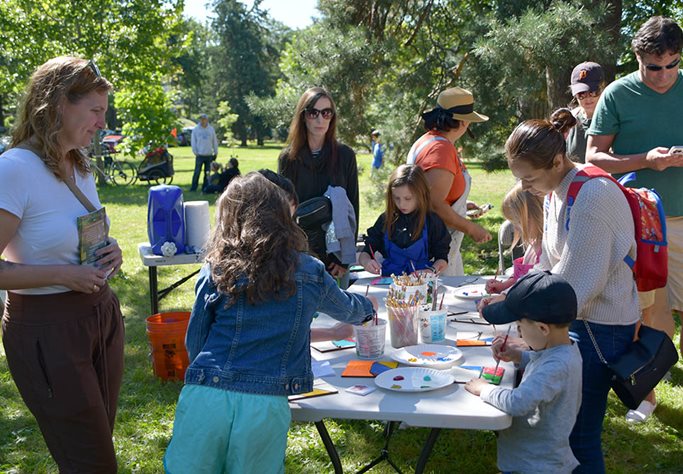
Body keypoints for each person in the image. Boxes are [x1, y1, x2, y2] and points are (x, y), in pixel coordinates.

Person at [164, 173, 376, 473]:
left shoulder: (215, 267)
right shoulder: (309, 269)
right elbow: (347, 309)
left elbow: (195, 339)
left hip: (207, 394)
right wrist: (369, 307)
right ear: (283, 216)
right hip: (264, 405)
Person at [0, 57, 124, 472]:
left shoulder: (79, 164)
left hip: (99, 317)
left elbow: (74, 236)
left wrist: (111, 252)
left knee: (93, 446)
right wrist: (61, 275)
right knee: (92, 460)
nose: (102, 124)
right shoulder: (14, 169)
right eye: (95, 111)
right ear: (57, 106)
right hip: (47, 331)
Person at [503, 110, 639, 474]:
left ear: (559, 160)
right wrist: (513, 291)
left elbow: (575, 289)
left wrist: (516, 310)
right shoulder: (554, 191)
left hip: (600, 329)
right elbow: (549, 262)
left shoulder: (593, 196)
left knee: (578, 434)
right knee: (568, 432)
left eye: (529, 178)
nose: (524, 188)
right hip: (576, 322)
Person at [586, 15, 683, 423]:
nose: (663, 75)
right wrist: (648, 160)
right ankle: (646, 395)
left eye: (673, 64)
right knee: (653, 314)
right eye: (653, 67)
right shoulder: (617, 94)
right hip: (645, 225)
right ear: (637, 58)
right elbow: (593, 158)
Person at [466, 271, 583, 473]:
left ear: (543, 329)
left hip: (534, 466)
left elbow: (517, 402)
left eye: (519, 327)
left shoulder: (556, 366)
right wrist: (518, 356)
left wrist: (484, 389)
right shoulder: (565, 351)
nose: (518, 333)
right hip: (537, 460)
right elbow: (547, 367)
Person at [278, 87, 360, 285]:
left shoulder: (345, 156)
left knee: (336, 313)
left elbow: (353, 207)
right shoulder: (289, 159)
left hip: (335, 253)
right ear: (303, 116)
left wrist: (344, 259)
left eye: (326, 113)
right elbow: (283, 211)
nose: (320, 119)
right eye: (313, 113)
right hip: (300, 252)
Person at [408, 86, 492, 276]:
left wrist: (461, 205)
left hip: (436, 244)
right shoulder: (440, 149)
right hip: (434, 250)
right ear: (463, 122)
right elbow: (435, 205)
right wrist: (472, 228)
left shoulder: (430, 141)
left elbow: (437, 195)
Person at [358, 164, 451, 276]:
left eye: (408, 198)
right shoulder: (385, 220)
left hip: (422, 282)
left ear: (421, 194)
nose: (401, 204)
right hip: (390, 283)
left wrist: (432, 270)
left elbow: (442, 259)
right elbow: (366, 253)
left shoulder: (432, 221)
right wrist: (367, 262)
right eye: (396, 198)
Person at [485, 181, 544, 294]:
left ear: (537, 215)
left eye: (517, 222)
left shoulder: (545, 250)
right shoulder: (534, 243)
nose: (516, 228)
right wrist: (503, 286)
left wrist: (505, 296)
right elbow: (519, 278)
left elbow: (532, 288)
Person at [566, 62, 605, 163]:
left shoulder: (614, 118)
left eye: (593, 92)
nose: (588, 98)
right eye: (581, 94)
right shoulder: (567, 121)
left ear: (603, 87)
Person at [190, 113, 218, 192]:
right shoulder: (196, 129)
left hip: (209, 154)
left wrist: (215, 152)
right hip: (200, 154)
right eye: (201, 119)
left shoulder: (211, 129)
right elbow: (193, 142)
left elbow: (214, 141)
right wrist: (195, 152)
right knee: (197, 172)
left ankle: (205, 187)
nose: (202, 121)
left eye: (204, 119)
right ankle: (193, 187)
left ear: (207, 120)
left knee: (207, 173)